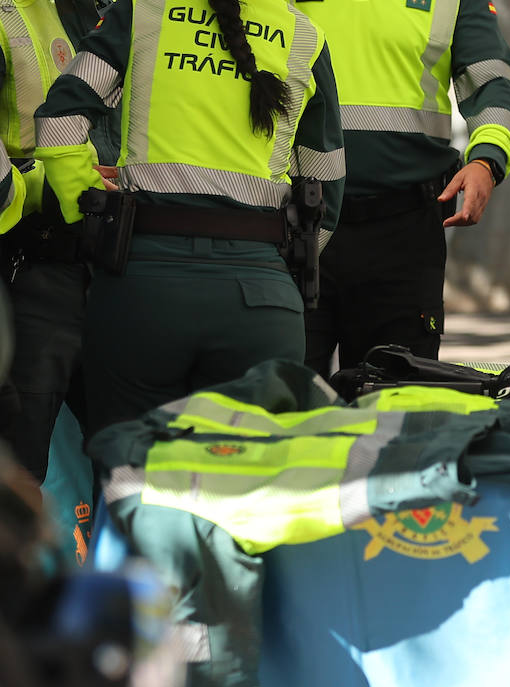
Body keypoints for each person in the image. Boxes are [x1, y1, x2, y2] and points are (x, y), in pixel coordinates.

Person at [32, 0, 345, 439]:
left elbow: (59, 126)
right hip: (260, 300)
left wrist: (85, 208)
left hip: (141, 289)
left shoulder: (142, 10)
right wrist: (280, 274)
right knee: (245, 491)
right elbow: (326, 187)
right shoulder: (305, 36)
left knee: (132, 481)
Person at [298, 0, 510, 379]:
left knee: (395, 407)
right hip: (293, 228)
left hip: (401, 233)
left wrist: (487, 159)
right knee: (280, 404)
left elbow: (490, 80)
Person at [0, 0, 120, 488]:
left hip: (121, 268)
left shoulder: (124, 13)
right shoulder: (12, 15)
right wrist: (46, 190)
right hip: (30, 266)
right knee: (18, 472)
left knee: (135, 469)